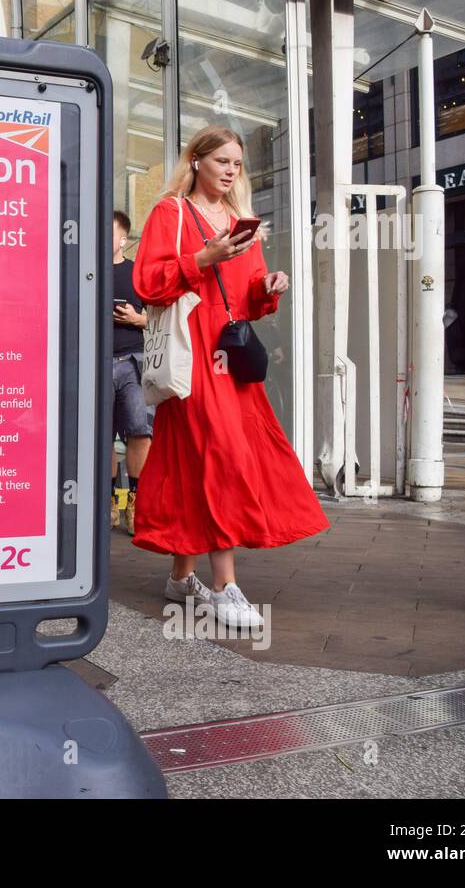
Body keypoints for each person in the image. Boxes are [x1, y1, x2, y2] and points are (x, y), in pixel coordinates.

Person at [132, 124, 328, 627]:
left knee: (192, 462)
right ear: (196, 161)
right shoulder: (170, 212)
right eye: (222, 161)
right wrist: (203, 258)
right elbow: (148, 283)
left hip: (228, 355)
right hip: (190, 354)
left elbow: (247, 302)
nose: (231, 171)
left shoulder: (242, 221)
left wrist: (269, 286)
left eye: (237, 164)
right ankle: (224, 585)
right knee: (221, 455)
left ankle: (181, 576)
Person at [110, 210, 153, 534]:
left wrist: (138, 320)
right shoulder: (87, 272)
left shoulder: (140, 273)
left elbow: (163, 321)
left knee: (140, 431)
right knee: (101, 437)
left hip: (133, 362)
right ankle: (112, 500)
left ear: (123, 238)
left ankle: (136, 500)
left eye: (108, 232)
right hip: (93, 364)